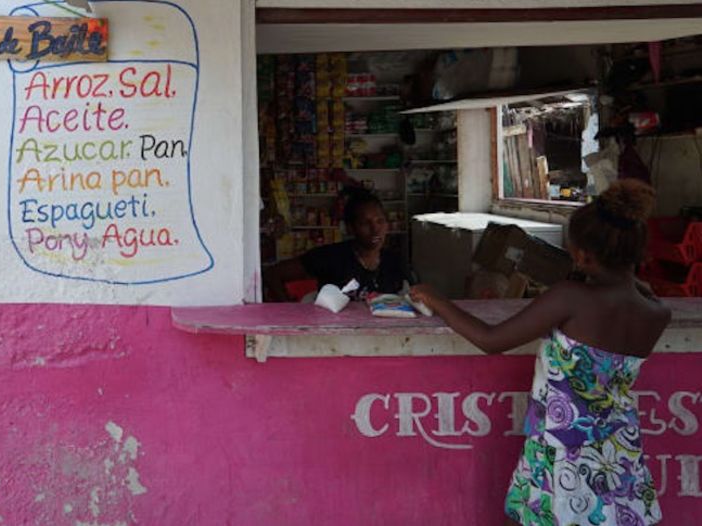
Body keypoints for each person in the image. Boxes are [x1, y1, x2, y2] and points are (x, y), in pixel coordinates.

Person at [411, 180, 670, 526]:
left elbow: (491, 340)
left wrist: (435, 299)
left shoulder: (571, 298)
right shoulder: (656, 314)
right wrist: (628, 279)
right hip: (618, 451)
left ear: (582, 256)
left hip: (561, 448)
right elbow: (637, 292)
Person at [263, 190, 411, 302]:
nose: (375, 229)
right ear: (350, 228)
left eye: (380, 221)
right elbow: (272, 274)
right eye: (365, 223)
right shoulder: (331, 257)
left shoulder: (394, 262)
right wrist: (290, 310)